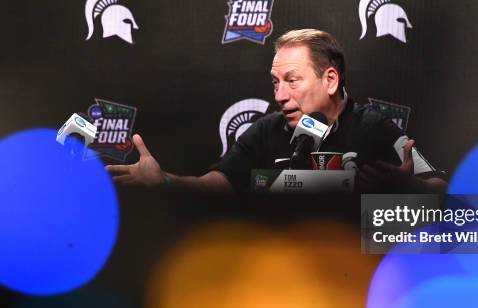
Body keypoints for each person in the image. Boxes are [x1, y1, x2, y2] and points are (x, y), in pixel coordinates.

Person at [106, 29, 447, 193]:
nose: (280, 95)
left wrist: (410, 188)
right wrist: (165, 180)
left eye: (293, 81)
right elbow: (218, 183)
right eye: (275, 82)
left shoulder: (374, 127)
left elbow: (439, 185)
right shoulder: (267, 131)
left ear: (330, 80)